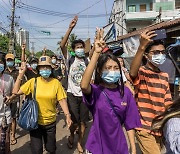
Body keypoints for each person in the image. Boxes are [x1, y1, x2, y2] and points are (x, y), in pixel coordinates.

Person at [80, 28, 141, 154]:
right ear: (100, 71)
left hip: (118, 146)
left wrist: (133, 149)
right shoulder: (96, 91)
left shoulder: (126, 93)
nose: (112, 71)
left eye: (115, 68)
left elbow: (130, 124)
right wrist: (96, 53)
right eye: (108, 68)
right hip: (96, 146)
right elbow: (84, 86)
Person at [7, 56, 72, 154]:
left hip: (50, 123)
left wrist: (67, 115)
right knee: (36, 150)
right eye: (42, 67)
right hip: (35, 122)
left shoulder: (56, 83)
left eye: (47, 67)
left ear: (51, 68)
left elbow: (62, 100)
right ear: (39, 69)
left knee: (51, 149)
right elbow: (15, 91)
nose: (45, 69)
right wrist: (21, 74)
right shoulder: (33, 82)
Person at [130, 30, 173, 154]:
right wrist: (142, 47)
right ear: (146, 55)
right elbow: (132, 73)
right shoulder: (142, 73)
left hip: (159, 127)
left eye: (162, 52)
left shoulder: (164, 76)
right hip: (144, 127)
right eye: (155, 52)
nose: (160, 55)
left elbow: (167, 102)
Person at [60, 16, 89, 153]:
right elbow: (62, 45)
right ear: (73, 49)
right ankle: (71, 134)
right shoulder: (69, 60)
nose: (80, 49)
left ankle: (79, 143)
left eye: (82, 47)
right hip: (71, 94)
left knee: (83, 122)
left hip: (84, 95)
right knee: (74, 122)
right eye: (77, 47)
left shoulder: (88, 61)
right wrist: (70, 28)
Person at [0, 52, 14, 154]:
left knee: (6, 139)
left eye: (0, 62)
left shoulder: (9, 78)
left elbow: (14, 94)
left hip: (5, 114)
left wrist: (10, 98)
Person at [4, 53, 19, 145]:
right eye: (8, 60)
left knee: (13, 118)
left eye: (11, 60)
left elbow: (21, 85)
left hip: (14, 99)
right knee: (3, 118)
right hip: (4, 100)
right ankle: (6, 134)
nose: (9, 61)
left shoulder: (17, 72)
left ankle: (12, 135)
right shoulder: (3, 71)